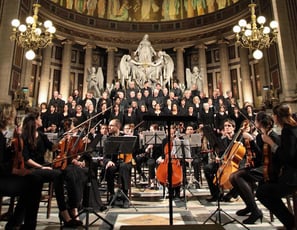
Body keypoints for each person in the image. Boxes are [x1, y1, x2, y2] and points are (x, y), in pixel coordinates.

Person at [21, 111, 82, 227]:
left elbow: (53, 148)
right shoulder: (24, 136)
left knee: (61, 174)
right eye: (40, 118)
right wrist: (41, 167)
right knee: (57, 175)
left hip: (42, 166)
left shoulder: (41, 135)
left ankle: (66, 211)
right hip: (31, 168)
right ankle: (65, 214)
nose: (42, 120)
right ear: (35, 121)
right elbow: (26, 159)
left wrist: (63, 139)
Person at [229, 112, 281, 224]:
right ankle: (249, 206)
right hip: (262, 166)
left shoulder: (273, 136)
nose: (254, 122)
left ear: (259, 123)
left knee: (238, 176)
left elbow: (275, 157)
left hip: (271, 169)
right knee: (232, 177)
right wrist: (251, 163)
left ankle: (255, 211)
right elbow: (259, 157)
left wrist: (251, 141)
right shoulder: (259, 136)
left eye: (256, 120)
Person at [0, 103, 43, 230]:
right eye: (13, 116)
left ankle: (15, 223)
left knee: (34, 181)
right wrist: (18, 172)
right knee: (34, 183)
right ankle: (26, 225)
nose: (14, 119)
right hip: (2, 179)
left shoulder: (4, 136)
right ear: (7, 117)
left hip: (5, 175)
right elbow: (1, 166)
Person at [257, 103, 297, 230]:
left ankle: (291, 223)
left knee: (262, 192)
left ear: (276, 117)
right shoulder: (294, 127)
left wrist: (271, 144)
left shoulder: (288, 130)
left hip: (293, 177)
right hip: (291, 173)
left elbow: (288, 156)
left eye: (273, 116)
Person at [204, 118, 237, 202]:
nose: (227, 127)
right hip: (224, 162)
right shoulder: (223, 140)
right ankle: (216, 194)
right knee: (207, 168)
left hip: (236, 162)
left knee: (237, 173)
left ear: (234, 127)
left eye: (229, 126)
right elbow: (220, 152)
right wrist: (218, 157)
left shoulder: (239, 137)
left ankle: (233, 193)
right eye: (225, 126)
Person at [104, 119, 132, 208]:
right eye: (109, 125)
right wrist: (108, 161)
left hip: (124, 161)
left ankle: (125, 196)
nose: (109, 127)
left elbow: (132, 151)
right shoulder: (108, 139)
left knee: (124, 167)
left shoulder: (125, 138)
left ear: (117, 127)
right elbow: (105, 156)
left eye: (111, 125)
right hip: (113, 162)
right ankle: (112, 194)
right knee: (110, 169)